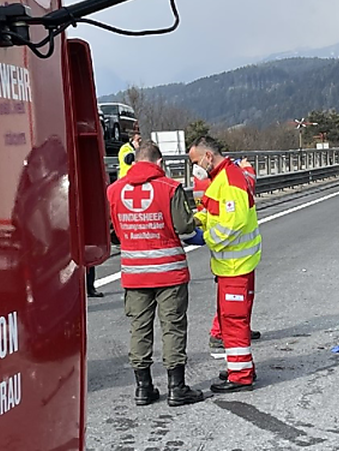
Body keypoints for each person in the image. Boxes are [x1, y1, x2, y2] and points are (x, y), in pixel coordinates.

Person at [107, 141, 204, 407]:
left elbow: (114, 231)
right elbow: (184, 227)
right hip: (169, 273)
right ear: (159, 163)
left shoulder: (114, 191)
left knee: (139, 328)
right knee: (172, 327)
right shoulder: (169, 188)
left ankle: (143, 388)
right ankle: (176, 388)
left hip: (135, 274)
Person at [188, 137, 262, 393]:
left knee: (233, 321)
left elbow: (232, 223)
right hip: (233, 265)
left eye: (196, 161)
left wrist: (204, 237)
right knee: (230, 320)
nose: (195, 167)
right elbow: (213, 212)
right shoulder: (222, 178)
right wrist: (195, 221)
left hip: (235, 265)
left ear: (208, 155)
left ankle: (240, 375)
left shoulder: (229, 180)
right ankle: (238, 366)